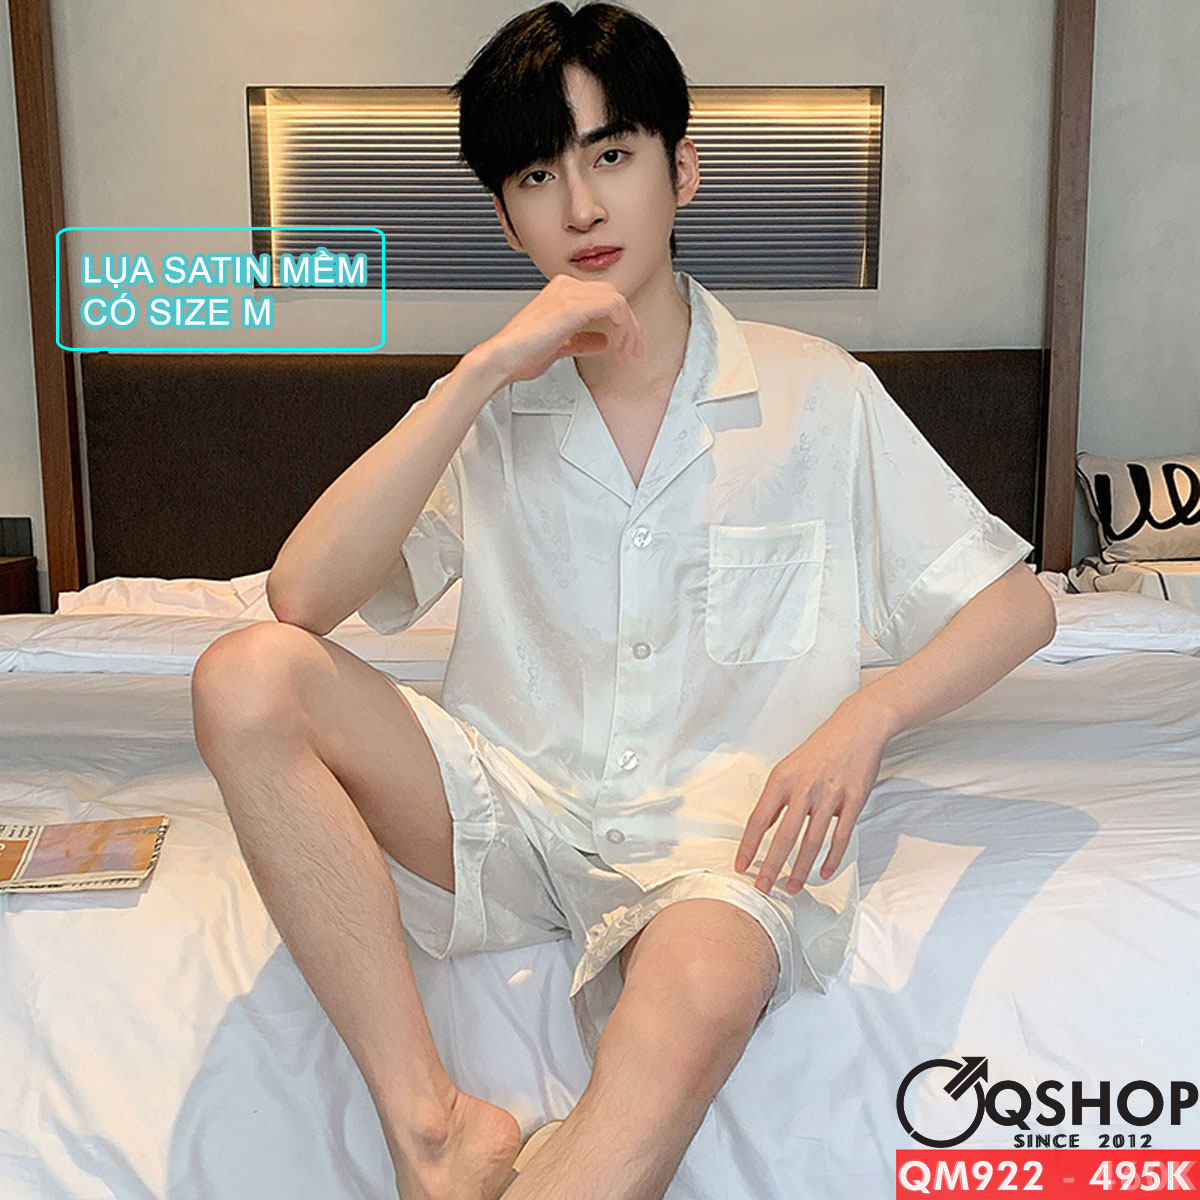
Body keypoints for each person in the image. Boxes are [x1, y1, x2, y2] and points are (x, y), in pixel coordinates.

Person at [190, 4, 1058, 1199]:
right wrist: (482, 369)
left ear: (680, 170)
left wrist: (868, 715)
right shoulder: (492, 405)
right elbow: (301, 599)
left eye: (611, 155)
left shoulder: (816, 391)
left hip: (718, 838)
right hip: (506, 810)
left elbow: (1016, 607)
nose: (583, 207)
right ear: (505, 218)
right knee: (243, 673)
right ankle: (430, 1126)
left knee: (700, 986)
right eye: (539, 176)